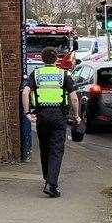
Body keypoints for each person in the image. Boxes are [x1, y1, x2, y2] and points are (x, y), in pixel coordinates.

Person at [23, 47, 80, 198]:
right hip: (59, 116)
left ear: (42, 59)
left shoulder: (36, 74)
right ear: (56, 59)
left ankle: (47, 179)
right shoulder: (63, 74)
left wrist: (27, 113)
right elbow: (74, 98)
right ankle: (51, 184)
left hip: (42, 115)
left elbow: (25, 91)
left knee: (45, 148)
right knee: (56, 150)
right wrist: (77, 116)